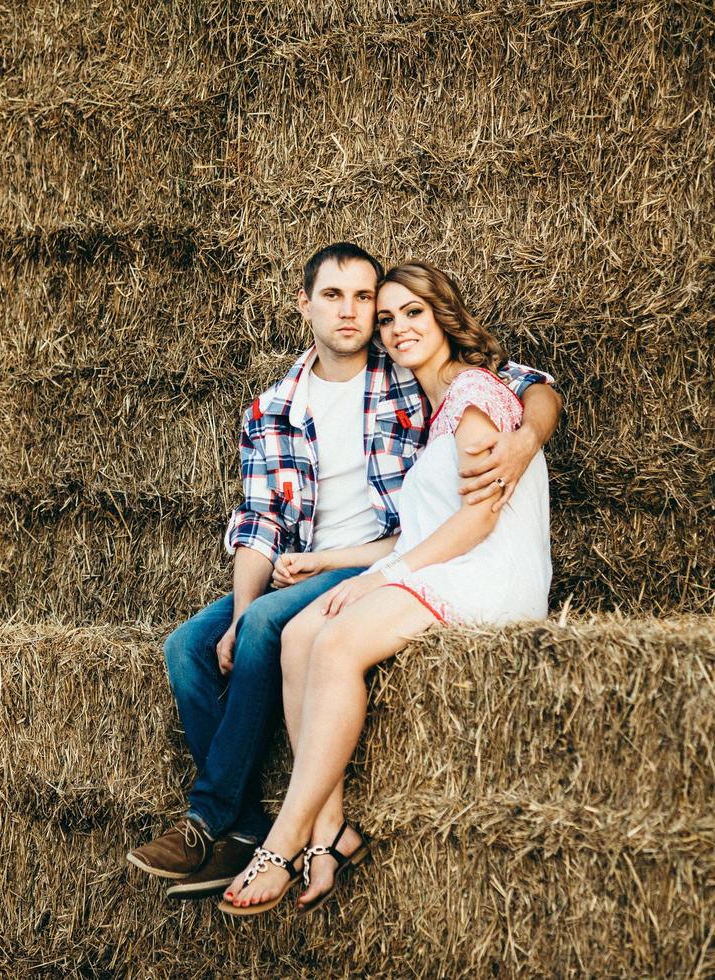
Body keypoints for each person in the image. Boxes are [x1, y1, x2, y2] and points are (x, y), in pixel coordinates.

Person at [127, 245, 561, 901]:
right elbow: (259, 522)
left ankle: (217, 822)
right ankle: (250, 829)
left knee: (281, 626)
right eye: (339, 297)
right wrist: (241, 613)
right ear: (305, 305)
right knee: (189, 644)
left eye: (374, 301)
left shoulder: (411, 372)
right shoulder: (272, 408)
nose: (368, 317)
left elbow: (528, 386)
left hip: (390, 555)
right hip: (316, 563)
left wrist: (528, 438)